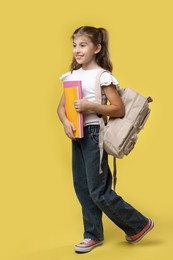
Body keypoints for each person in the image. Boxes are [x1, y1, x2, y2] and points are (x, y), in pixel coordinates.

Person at [57, 26, 154, 253]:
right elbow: (61, 108)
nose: (77, 50)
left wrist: (91, 106)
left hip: (94, 136)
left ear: (97, 48)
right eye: (74, 45)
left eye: (83, 45)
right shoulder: (71, 75)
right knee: (82, 187)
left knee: (98, 190)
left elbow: (119, 109)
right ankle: (93, 235)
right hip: (77, 135)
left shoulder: (102, 76)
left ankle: (139, 224)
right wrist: (65, 122)